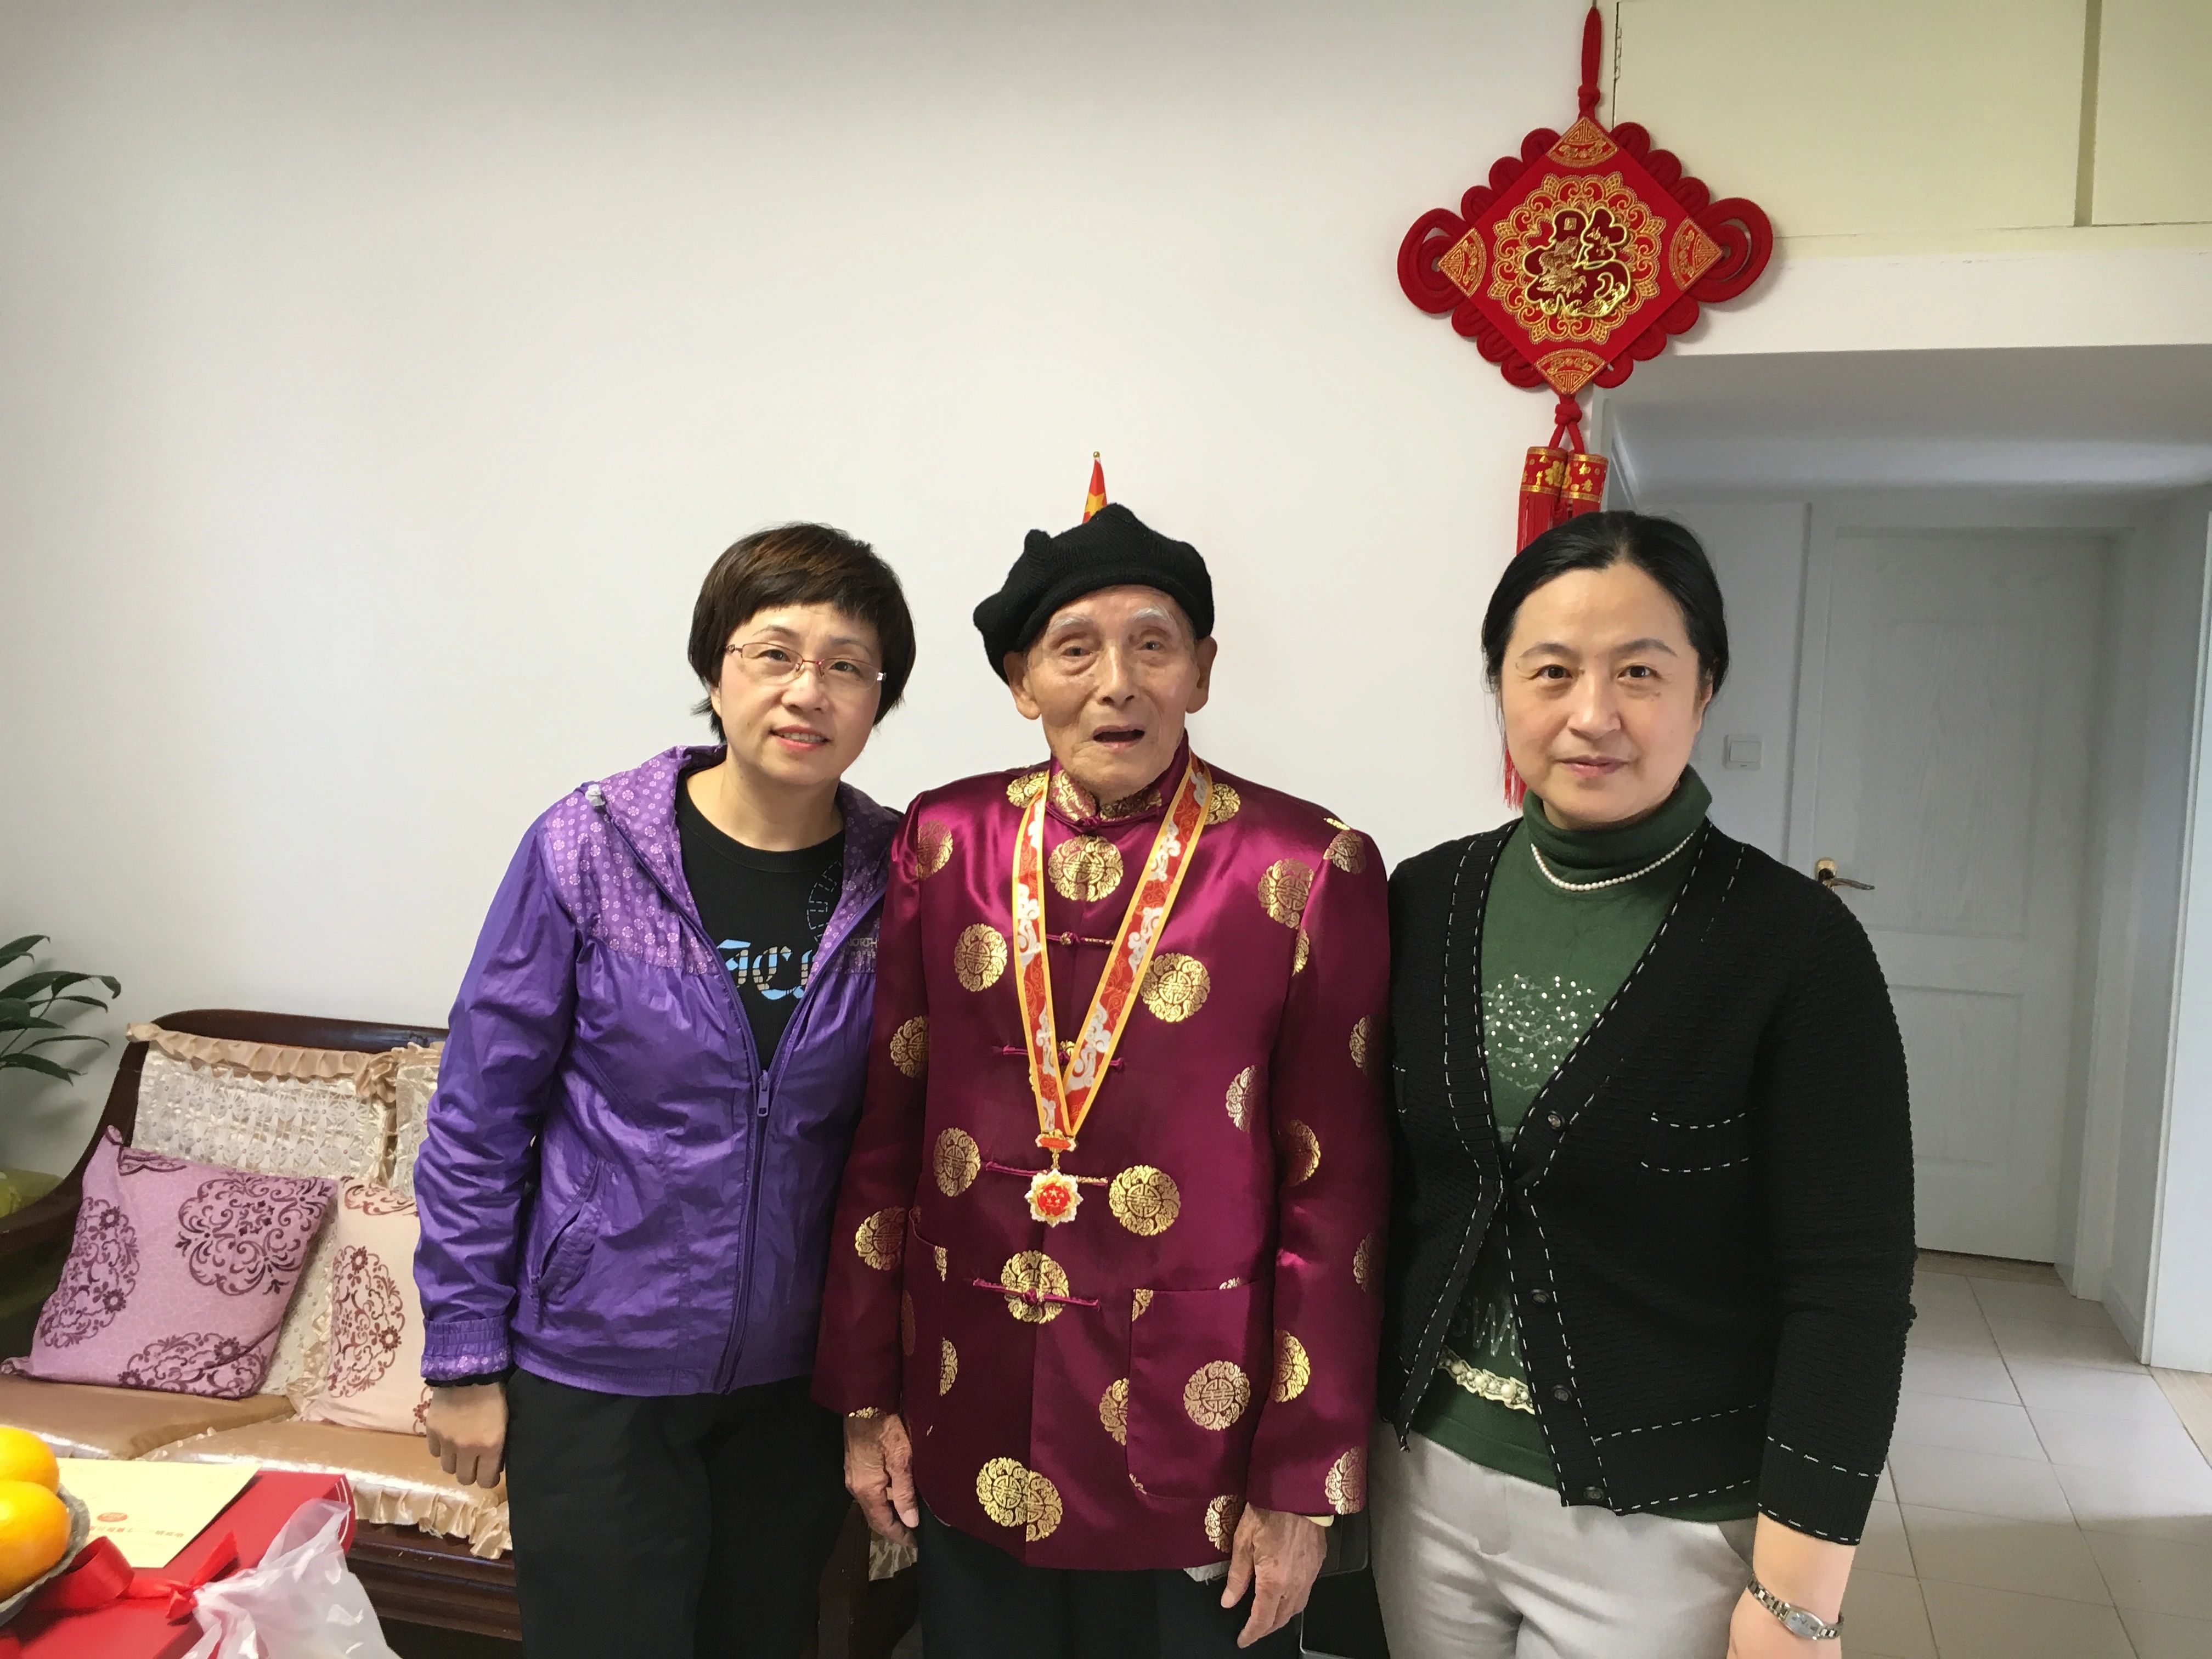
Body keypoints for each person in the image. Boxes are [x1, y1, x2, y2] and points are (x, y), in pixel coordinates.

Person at [812, 505, 1391, 1659]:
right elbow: (888, 1132)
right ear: (1022, 681)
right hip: (972, 1403)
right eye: (1074, 649)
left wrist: (1301, 1481)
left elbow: (1338, 1197)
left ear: (1203, 672)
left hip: (1196, 1434)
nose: (1116, 682)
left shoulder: (1307, 865)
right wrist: (867, 1400)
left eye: (1153, 645)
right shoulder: (945, 840)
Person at [1374, 511, 1914, 1659]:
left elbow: (1851, 1287)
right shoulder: (1423, 901)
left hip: (1665, 1523)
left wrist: (1799, 1601)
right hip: (1424, 1482)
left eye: (1639, 672)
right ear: (1500, 687)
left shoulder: (1795, 948)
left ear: (1703, 690)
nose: (1593, 714)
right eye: (1551, 671)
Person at [411, 524, 914, 1659]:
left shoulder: (901, 877)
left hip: (793, 1383)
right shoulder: (588, 850)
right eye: (773, 653)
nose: (808, 690)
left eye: (847, 665)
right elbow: (480, 1117)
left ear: (878, 699)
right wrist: (464, 1356)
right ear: (714, 669)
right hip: (597, 1367)